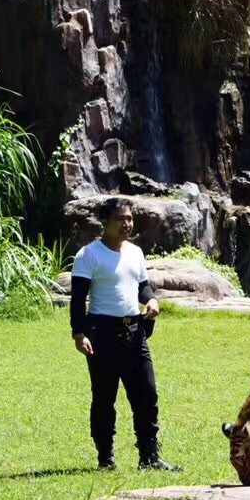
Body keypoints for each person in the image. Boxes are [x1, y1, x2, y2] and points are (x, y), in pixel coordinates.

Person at [70, 198, 182, 472]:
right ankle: (105, 458)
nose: (126, 224)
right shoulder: (89, 255)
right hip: (102, 334)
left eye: (129, 218)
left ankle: (149, 456)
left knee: (147, 394)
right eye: (120, 219)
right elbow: (78, 300)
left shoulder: (135, 252)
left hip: (135, 331)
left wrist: (152, 301)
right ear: (104, 221)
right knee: (104, 398)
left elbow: (142, 286)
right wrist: (79, 333)